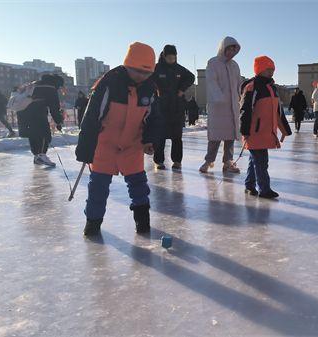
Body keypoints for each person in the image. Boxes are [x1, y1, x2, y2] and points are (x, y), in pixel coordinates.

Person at [75, 42, 160, 236]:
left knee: (139, 187)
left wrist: (149, 140)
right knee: (98, 188)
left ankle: (143, 223)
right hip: (104, 145)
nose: (141, 76)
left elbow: (154, 118)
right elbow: (91, 117)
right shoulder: (108, 83)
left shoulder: (150, 89)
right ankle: (93, 224)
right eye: (137, 71)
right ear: (127, 65)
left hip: (132, 145)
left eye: (146, 73)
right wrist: (86, 148)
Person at [240, 56, 292, 199]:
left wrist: (285, 130)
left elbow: (278, 112)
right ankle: (264, 189)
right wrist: (245, 130)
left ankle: (249, 185)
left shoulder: (272, 88)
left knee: (255, 160)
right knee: (261, 161)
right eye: (268, 69)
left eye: (272, 69)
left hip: (266, 132)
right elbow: (245, 110)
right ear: (259, 69)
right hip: (253, 132)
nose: (271, 72)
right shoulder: (252, 87)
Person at [199, 36, 243, 174]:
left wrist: (241, 96)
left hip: (232, 106)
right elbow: (211, 81)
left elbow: (239, 83)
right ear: (223, 48)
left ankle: (228, 162)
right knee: (216, 136)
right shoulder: (213, 63)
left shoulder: (235, 65)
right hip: (218, 106)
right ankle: (208, 160)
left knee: (230, 136)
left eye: (233, 49)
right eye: (228, 49)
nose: (231, 52)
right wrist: (218, 97)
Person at [150, 45, 195, 170]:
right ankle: (158, 161)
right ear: (164, 56)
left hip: (176, 108)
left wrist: (181, 89)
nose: (171, 60)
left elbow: (191, 77)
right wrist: (155, 91)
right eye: (169, 57)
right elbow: (148, 80)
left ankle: (177, 161)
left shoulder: (179, 69)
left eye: (173, 57)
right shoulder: (157, 68)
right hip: (161, 108)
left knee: (177, 136)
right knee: (160, 136)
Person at [19, 74, 64, 166]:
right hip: (37, 113)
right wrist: (58, 121)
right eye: (59, 86)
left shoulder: (35, 84)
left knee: (33, 135)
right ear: (57, 83)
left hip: (23, 113)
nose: (58, 89)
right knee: (45, 134)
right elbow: (54, 108)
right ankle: (42, 155)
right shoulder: (50, 88)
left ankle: (37, 156)